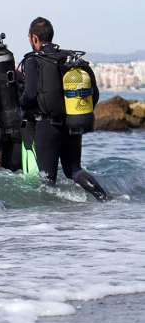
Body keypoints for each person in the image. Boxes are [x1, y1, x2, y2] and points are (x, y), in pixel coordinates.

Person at [19, 17, 109, 201]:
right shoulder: (70, 58)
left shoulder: (34, 60)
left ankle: (51, 222)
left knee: (47, 178)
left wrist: (20, 108)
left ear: (34, 38)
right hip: (74, 121)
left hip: (48, 125)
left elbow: (29, 95)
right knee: (74, 170)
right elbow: (95, 94)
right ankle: (104, 198)